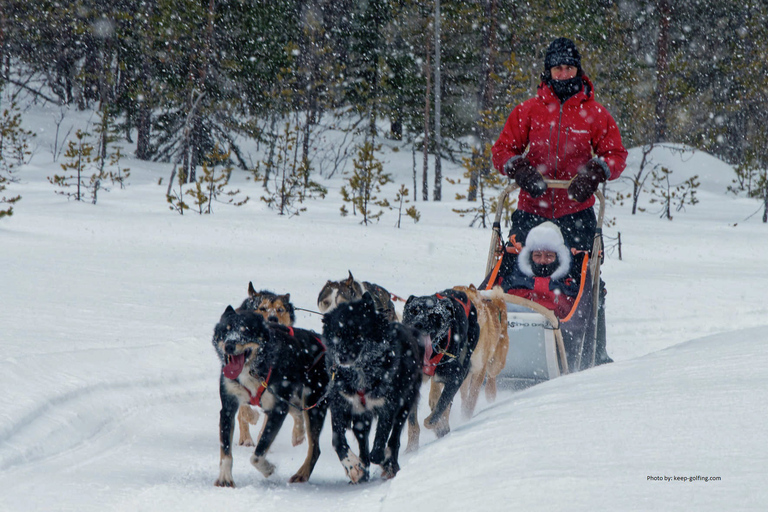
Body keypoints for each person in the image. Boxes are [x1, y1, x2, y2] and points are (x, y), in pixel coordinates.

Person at [491, 37, 628, 365]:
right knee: (510, 270)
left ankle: (594, 353)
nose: (563, 73)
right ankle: (507, 346)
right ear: (548, 71)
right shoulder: (528, 110)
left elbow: (616, 155)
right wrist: (521, 169)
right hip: (531, 209)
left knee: (587, 279)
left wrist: (595, 172)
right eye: (557, 67)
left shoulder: (594, 113)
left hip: (576, 212)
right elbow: (502, 151)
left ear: (577, 69)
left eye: (568, 67)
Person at [502, 222, 578, 320]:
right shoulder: (515, 278)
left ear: (558, 258)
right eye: (537, 255)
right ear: (529, 257)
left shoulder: (569, 283)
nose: (542, 261)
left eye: (549, 256)